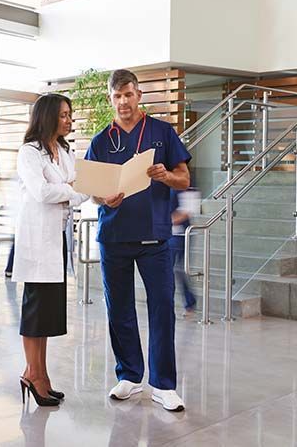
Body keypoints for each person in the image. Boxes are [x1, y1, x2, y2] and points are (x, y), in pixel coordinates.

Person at [85, 69, 191, 412]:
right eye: (117, 96)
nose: (123, 102)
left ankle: (163, 385)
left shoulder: (161, 132)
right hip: (114, 236)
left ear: (139, 95)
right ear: (110, 99)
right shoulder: (102, 140)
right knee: (119, 310)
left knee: (162, 308)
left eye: (128, 95)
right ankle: (129, 376)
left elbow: (184, 179)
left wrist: (166, 175)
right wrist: (104, 198)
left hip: (154, 237)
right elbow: (92, 190)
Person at [13, 93, 89, 407]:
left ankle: (40, 374)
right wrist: (70, 191)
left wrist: (69, 193)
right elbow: (42, 192)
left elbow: (81, 192)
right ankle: (33, 374)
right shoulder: (29, 152)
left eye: (69, 115)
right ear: (47, 117)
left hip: (57, 239)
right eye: (63, 115)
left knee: (47, 313)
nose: (69, 120)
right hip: (36, 239)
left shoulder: (65, 151)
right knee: (34, 310)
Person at [169, 187, 202, 317]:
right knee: (176, 270)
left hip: (180, 235)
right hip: (169, 234)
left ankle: (188, 302)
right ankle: (189, 302)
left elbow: (186, 212)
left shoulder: (189, 188)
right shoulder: (167, 186)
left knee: (173, 269)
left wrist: (165, 221)